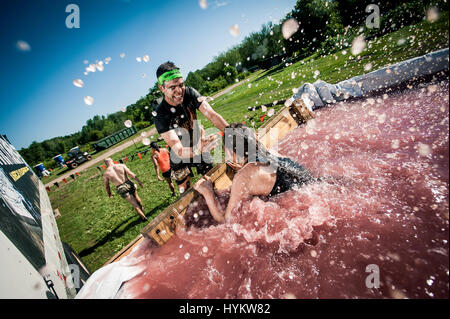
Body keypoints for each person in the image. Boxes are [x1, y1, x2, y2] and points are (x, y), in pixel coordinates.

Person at [194, 123, 316, 224]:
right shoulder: (270, 153)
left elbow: (227, 221)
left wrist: (207, 192)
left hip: (302, 210)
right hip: (313, 191)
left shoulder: (243, 176)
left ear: (230, 151)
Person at [153, 61, 229, 193]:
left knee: (212, 180)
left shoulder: (190, 93)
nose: (179, 91)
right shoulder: (160, 114)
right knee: (185, 189)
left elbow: (212, 115)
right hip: (179, 154)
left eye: (181, 85)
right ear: (162, 88)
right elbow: (179, 150)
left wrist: (234, 132)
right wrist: (197, 149)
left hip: (198, 142)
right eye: (172, 87)